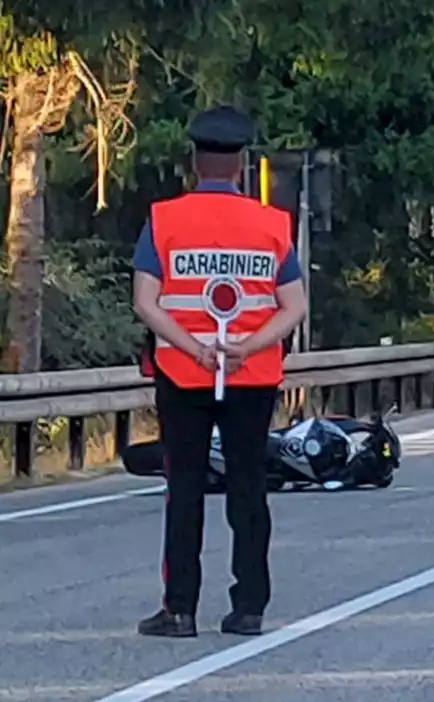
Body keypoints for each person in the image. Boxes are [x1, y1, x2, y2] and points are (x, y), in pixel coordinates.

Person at [131, 105, 307, 637]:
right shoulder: (272, 224)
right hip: (252, 378)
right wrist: (245, 348)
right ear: (242, 166)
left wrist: (195, 349)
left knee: (183, 486)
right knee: (248, 487)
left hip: (183, 376)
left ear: (193, 162)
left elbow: (145, 301)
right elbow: (293, 305)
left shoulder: (164, 219)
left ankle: (180, 609)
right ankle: (249, 606)